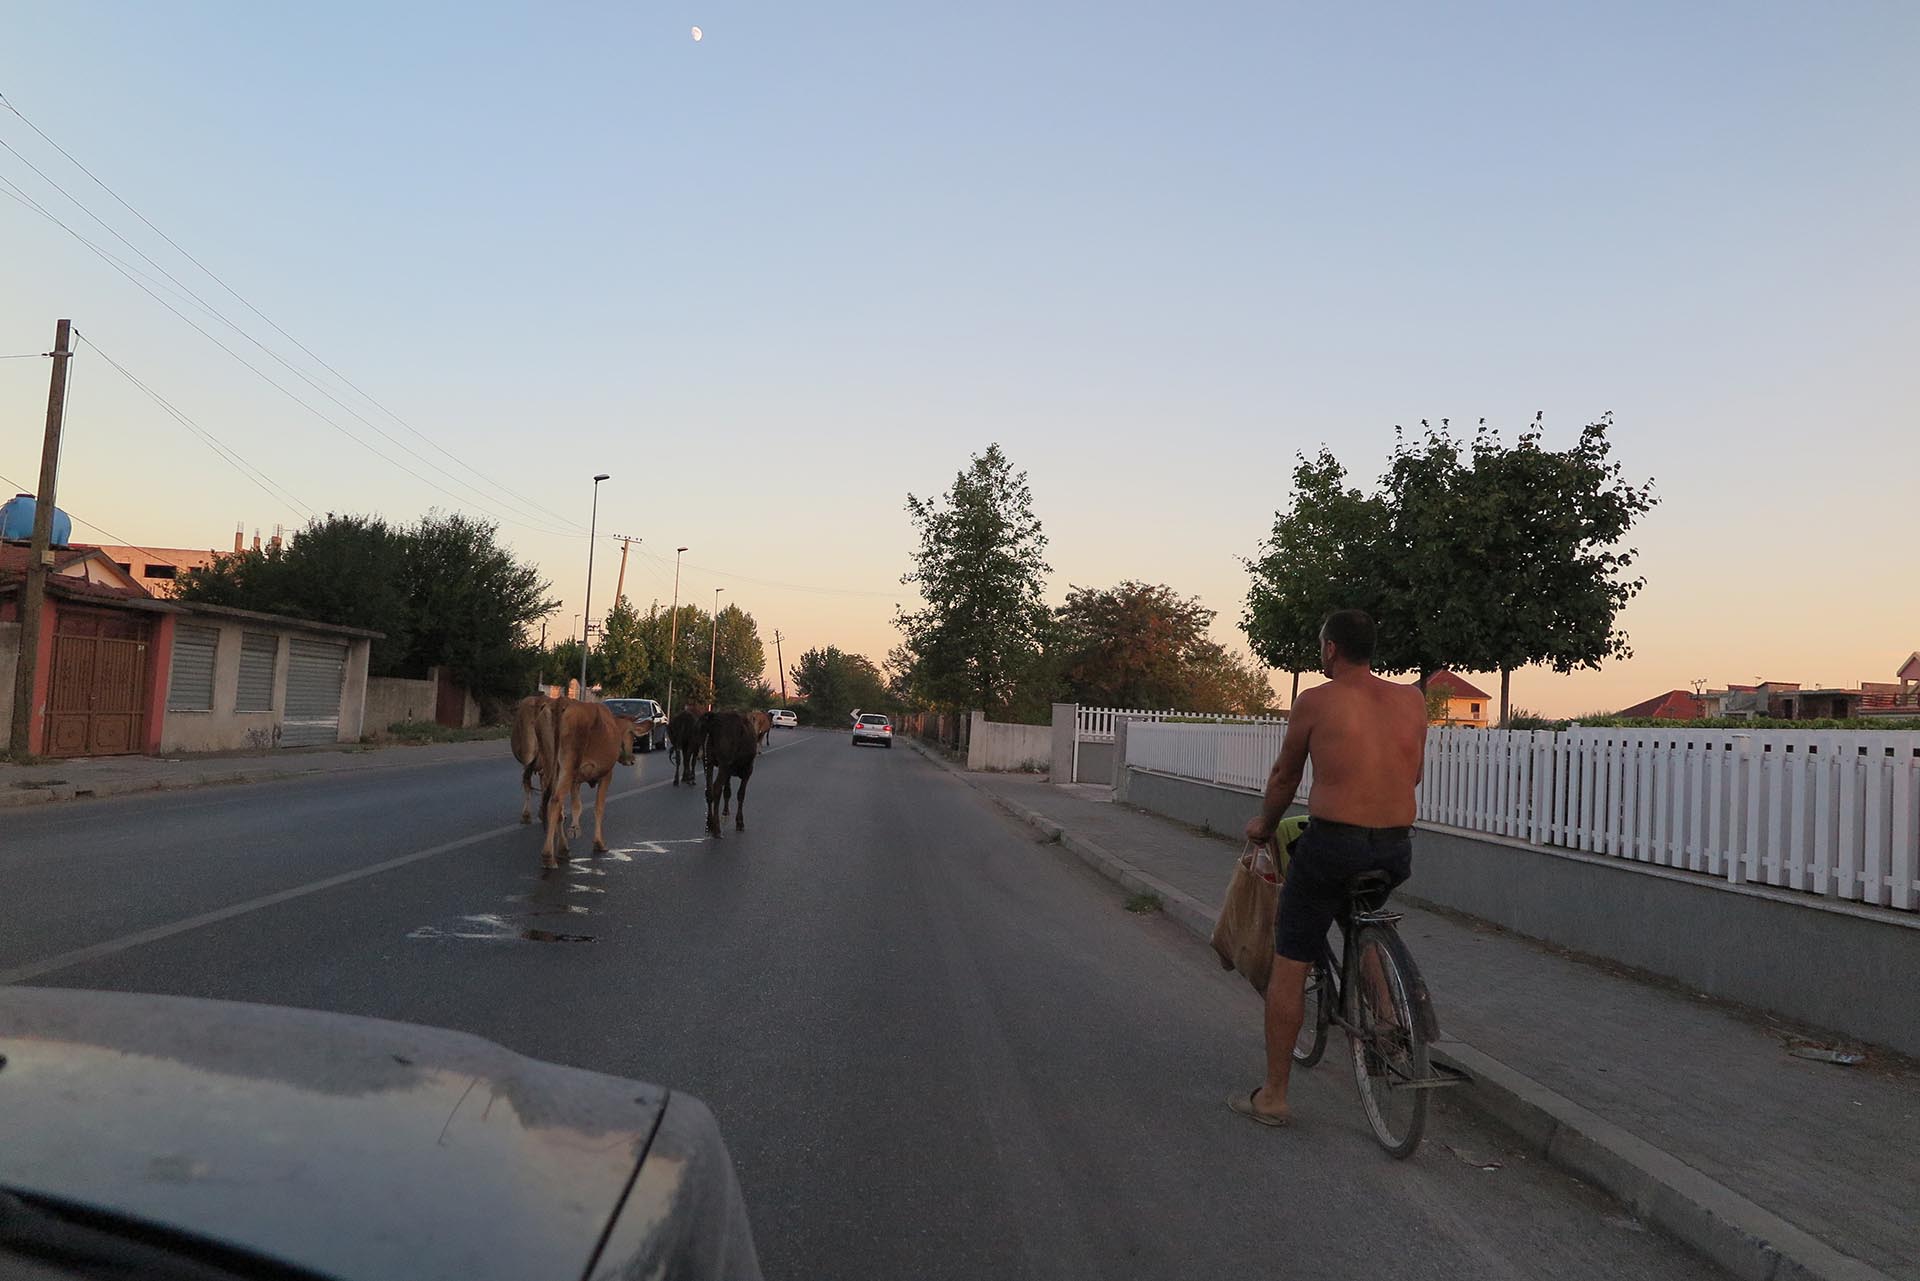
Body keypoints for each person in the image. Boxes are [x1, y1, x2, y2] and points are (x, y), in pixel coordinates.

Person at [1229, 608, 1427, 1127]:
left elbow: (1284, 776)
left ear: (1331, 648)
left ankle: (1273, 1096)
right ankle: (1388, 1024)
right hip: (1394, 850)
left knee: (1291, 957)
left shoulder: (1315, 701)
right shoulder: (1412, 699)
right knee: (1361, 915)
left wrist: (1264, 824)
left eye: (1322, 645)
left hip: (1333, 846)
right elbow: (1414, 774)